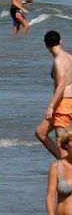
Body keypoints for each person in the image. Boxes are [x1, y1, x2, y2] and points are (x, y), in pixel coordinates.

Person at [36, 30, 72, 159]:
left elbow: (61, 85)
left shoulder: (58, 61)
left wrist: (50, 107)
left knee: (62, 144)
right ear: (61, 41)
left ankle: (65, 164)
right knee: (40, 132)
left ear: (45, 45)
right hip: (66, 103)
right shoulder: (70, 57)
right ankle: (62, 161)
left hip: (63, 104)